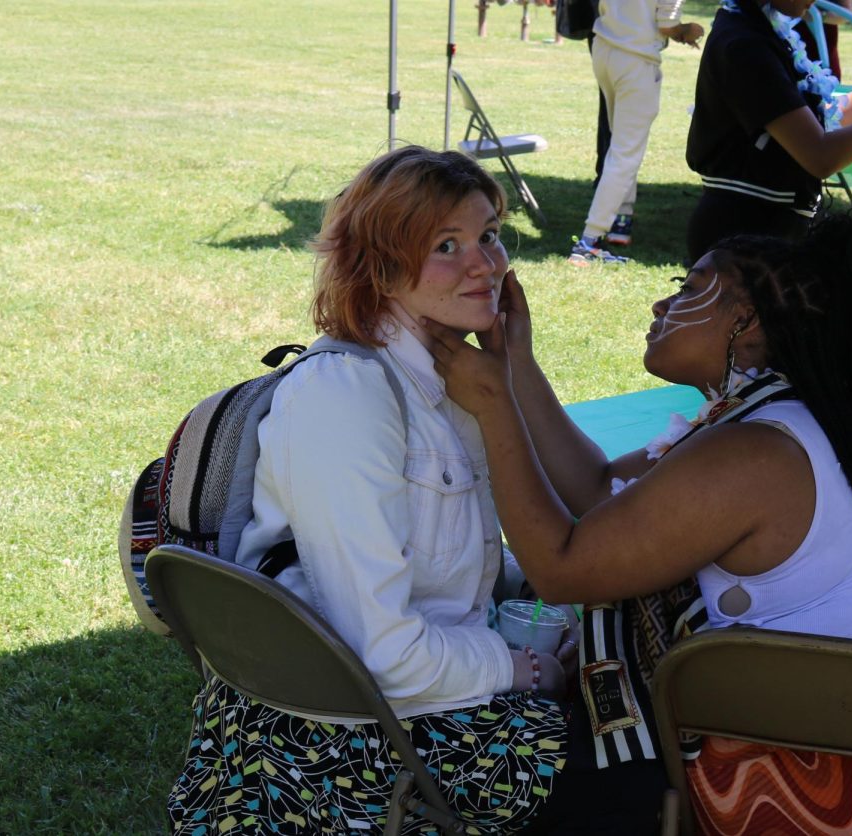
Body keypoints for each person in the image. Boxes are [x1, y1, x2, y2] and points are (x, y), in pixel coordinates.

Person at [424, 199, 852, 833]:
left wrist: (495, 406)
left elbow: (562, 569)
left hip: (834, 774)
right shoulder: (765, 415)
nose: (660, 307)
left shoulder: (752, 452)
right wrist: (516, 362)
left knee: (499, 763)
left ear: (744, 320)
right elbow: (598, 490)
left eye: (689, 289)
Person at [165, 146, 573, 834]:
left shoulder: (448, 378)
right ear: (381, 268)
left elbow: (442, 556)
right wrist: (525, 668)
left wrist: (537, 589)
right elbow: (384, 656)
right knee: (616, 766)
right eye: (448, 245)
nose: (486, 265)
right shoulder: (348, 396)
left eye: (490, 236)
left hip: (413, 698)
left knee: (619, 705)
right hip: (343, 738)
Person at [684, 0, 852, 264]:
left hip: (763, 234)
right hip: (742, 241)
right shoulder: (745, 44)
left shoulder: (761, 29)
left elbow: (818, 120)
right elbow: (820, 155)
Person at [568, 0, 704, 266]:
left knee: (619, 146)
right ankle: (588, 242)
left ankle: (620, 221)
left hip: (605, 48)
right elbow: (667, 24)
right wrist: (688, 30)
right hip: (635, 59)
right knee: (625, 154)